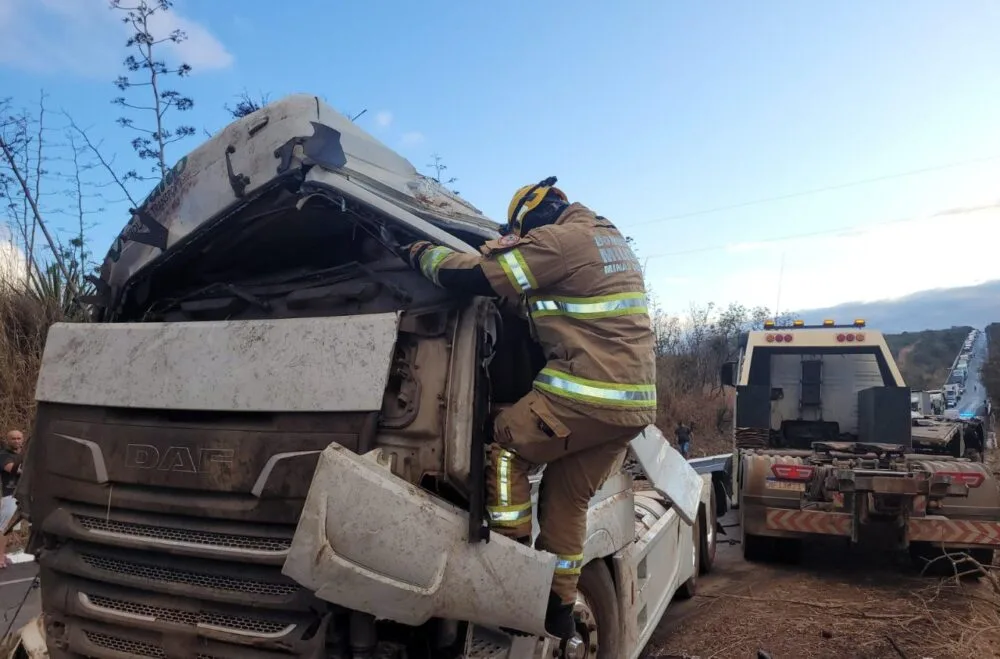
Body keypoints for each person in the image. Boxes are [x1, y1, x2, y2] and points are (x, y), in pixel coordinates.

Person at [404, 177, 656, 639]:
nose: (519, 239)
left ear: (534, 216)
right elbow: (543, 303)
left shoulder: (558, 241)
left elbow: (477, 277)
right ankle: (557, 607)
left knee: (504, 448)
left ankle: (512, 567)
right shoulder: (606, 241)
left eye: (519, 231)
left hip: (587, 394)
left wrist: (422, 253)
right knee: (566, 499)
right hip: (630, 407)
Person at [0, 430, 24, 569]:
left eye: (19, 438)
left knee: (13, 527)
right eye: (13, 438)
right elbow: (14, 469)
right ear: (8, 440)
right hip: (10, 496)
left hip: (25, 495)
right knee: (4, 528)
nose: (16, 441)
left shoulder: (25, 455)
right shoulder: (4, 455)